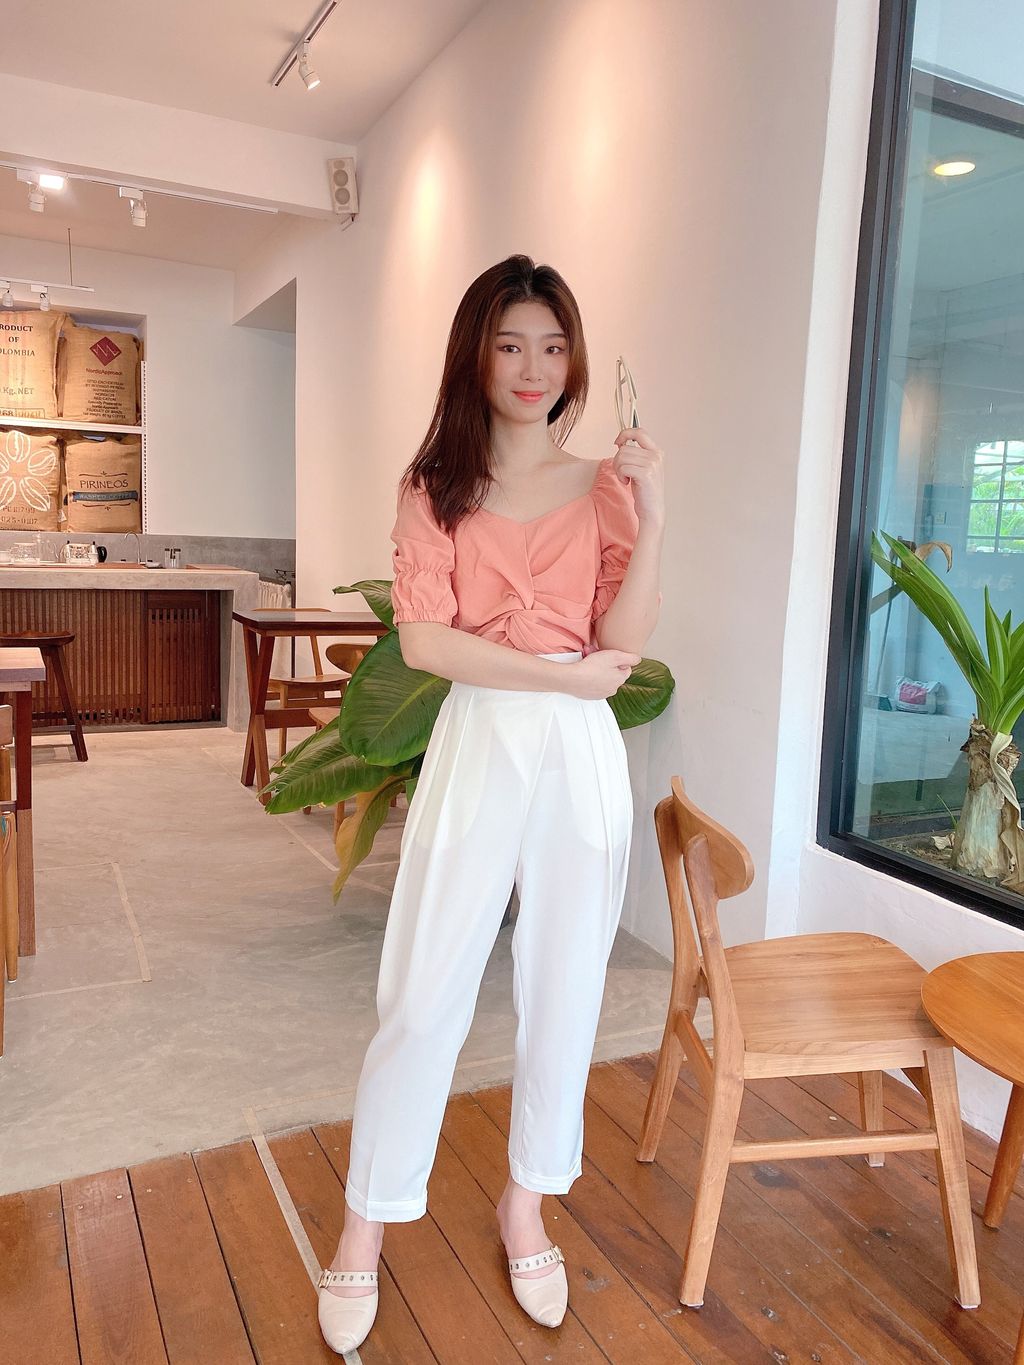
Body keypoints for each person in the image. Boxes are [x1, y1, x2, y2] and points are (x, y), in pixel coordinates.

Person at [318, 254, 665, 1354]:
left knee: (566, 982)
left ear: (574, 360)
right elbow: (426, 641)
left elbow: (625, 642)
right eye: (511, 343)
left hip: (577, 754)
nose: (532, 366)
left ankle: (528, 1203)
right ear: (476, 353)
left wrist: (655, 517)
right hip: (483, 735)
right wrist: (558, 678)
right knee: (424, 986)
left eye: (552, 346)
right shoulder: (436, 486)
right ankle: (366, 1218)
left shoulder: (604, 485)